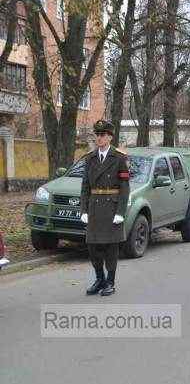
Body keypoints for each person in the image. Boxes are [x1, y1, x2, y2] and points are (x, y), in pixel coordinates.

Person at [80, 120, 130, 297]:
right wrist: (83, 210)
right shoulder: (90, 158)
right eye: (97, 135)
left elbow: (125, 187)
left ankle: (110, 281)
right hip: (94, 208)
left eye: (102, 135)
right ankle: (99, 278)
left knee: (110, 248)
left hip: (111, 207)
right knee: (93, 247)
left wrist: (121, 212)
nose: (99, 138)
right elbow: (85, 186)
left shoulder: (119, 158)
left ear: (110, 137)